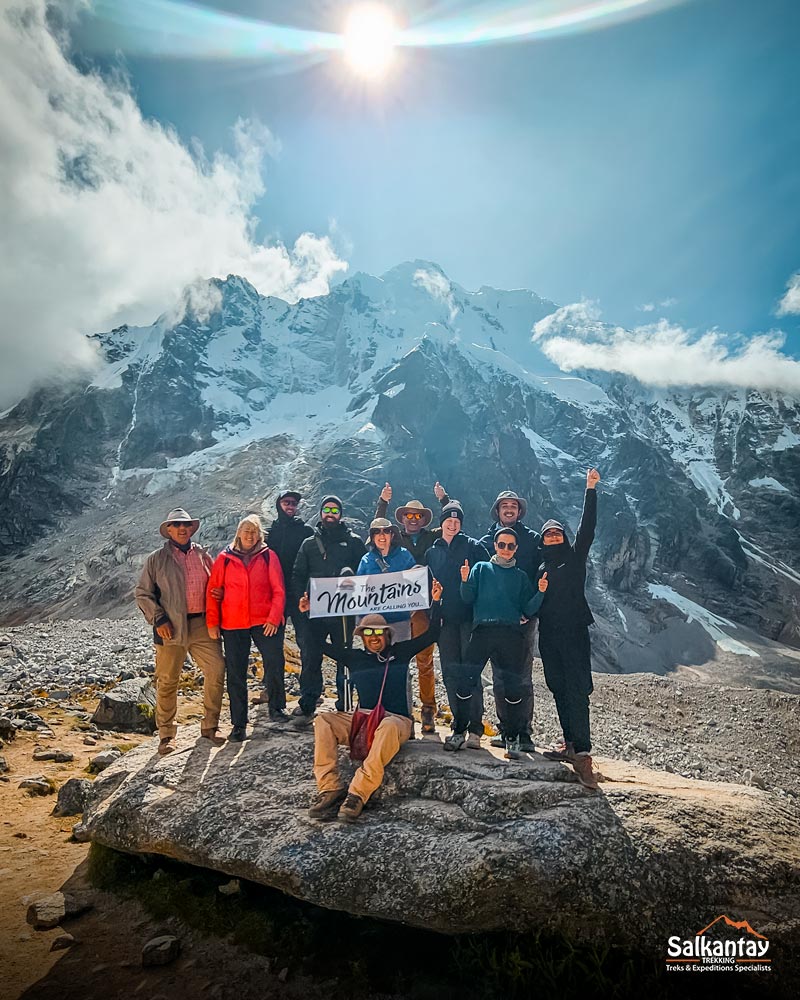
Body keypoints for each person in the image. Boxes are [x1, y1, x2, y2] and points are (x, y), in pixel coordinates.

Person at [304, 580, 443, 822]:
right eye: (368, 632)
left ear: (387, 634)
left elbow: (433, 634)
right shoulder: (355, 658)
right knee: (324, 720)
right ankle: (329, 787)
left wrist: (436, 602)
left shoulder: (400, 652)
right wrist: (306, 615)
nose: (373, 636)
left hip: (396, 722)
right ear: (362, 636)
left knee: (388, 726)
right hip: (363, 720)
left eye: (378, 631)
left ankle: (358, 793)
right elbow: (317, 644)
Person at [134, 508, 225, 756]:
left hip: (202, 624)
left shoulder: (203, 556)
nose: (182, 528)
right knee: (167, 681)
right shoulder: (156, 559)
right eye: (176, 525)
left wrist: (219, 594)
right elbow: (142, 593)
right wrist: (159, 618)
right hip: (169, 627)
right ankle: (166, 735)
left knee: (216, 670)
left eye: (186, 525)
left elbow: (218, 585)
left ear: (192, 529)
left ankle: (210, 726)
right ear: (169, 530)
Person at [453, 529, 548, 756]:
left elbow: (528, 608)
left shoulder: (521, 577)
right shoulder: (481, 569)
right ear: (495, 546)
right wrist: (464, 581)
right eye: (502, 545)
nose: (506, 549)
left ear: (516, 549)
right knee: (466, 681)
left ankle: (512, 737)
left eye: (510, 546)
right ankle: (459, 731)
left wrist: (541, 593)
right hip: (483, 631)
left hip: (510, 635)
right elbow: (467, 598)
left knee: (513, 688)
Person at [538, 468, 601, 790]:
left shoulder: (574, 558)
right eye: (548, 535)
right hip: (549, 635)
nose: (553, 538)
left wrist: (590, 489)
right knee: (558, 686)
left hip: (575, 632)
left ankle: (584, 750)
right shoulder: (540, 566)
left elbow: (587, 529)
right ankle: (569, 744)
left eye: (557, 534)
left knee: (577, 688)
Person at [206, 515, 286, 740]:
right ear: (239, 533)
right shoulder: (224, 559)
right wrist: (212, 622)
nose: (250, 535)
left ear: (260, 535)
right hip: (233, 622)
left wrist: (274, 617)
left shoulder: (269, 556)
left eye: (254, 531)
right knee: (236, 672)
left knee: (274, 660)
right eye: (246, 530)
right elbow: (213, 592)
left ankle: (277, 707)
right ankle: (239, 722)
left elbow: (278, 589)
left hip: (264, 621)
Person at [374, 483, 447, 732]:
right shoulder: (395, 538)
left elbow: (452, 523)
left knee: (424, 660)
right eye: (409, 516)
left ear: (423, 519)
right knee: (395, 660)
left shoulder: (432, 536)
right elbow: (377, 531)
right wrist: (382, 503)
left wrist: (444, 499)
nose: (413, 519)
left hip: (423, 608)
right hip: (396, 607)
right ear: (403, 518)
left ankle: (428, 711)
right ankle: (398, 709)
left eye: (417, 516)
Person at [291, 495, 366, 724]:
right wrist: (301, 599)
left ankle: (345, 702)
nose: (330, 513)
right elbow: (297, 575)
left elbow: (365, 572)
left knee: (345, 655)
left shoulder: (353, 542)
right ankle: (308, 702)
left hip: (343, 612)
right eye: (327, 509)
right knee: (311, 656)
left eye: (335, 509)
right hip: (315, 613)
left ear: (340, 514)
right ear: (321, 513)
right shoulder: (309, 544)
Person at [479, 492, 543, 752]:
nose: (509, 509)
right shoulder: (485, 541)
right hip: (496, 619)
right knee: (499, 676)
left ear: (520, 511)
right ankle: (506, 730)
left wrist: (530, 611)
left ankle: (524, 733)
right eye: (504, 505)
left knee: (522, 675)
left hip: (524, 619)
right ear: (497, 510)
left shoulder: (533, 540)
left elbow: (541, 574)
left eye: (513, 506)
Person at [424, 501, 490, 747]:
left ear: (461, 524)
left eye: (457, 521)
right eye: (448, 521)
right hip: (445, 621)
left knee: (470, 673)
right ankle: (458, 726)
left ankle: (475, 728)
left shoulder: (473, 547)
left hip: (469, 619)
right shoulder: (432, 551)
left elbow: (488, 574)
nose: (452, 524)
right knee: (451, 673)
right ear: (441, 523)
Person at [255, 490, 314, 706]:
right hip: (274, 597)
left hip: (299, 595)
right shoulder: (268, 534)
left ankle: (310, 692)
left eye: (294, 503)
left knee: (306, 643)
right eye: (287, 502)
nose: (290, 506)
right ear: (279, 504)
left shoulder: (306, 531)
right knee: (272, 646)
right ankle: (271, 690)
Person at [357, 518, 416, 642]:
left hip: (400, 620)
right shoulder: (366, 561)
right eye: (377, 532)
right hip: (374, 623)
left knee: (400, 658)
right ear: (372, 537)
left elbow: (415, 585)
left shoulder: (405, 556)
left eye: (386, 531)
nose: (382, 535)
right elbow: (359, 591)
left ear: (392, 534)